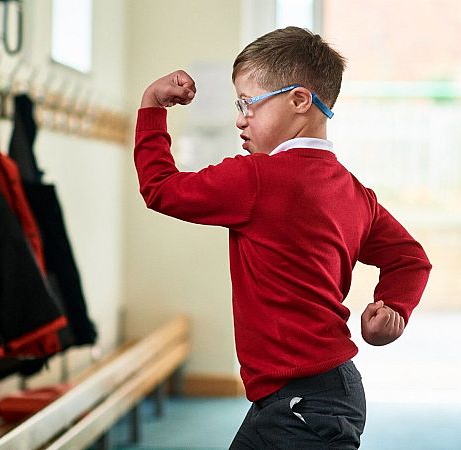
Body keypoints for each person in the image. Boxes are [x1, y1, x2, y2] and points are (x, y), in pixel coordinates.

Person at [134, 26, 431, 449]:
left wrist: (152, 105)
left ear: (299, 100)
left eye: (247, 103)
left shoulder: (254, 178)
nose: (240, 118)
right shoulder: (352, 191)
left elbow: (159, 187)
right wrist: (395, 306)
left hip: (304, 403)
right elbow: (410, 258)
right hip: (311, 395)